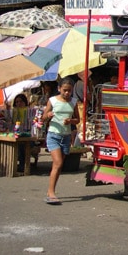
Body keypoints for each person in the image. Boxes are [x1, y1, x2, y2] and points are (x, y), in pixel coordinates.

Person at [42, 77, 80, 205]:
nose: (67, 93)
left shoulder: (74, 102)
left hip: (66, 136)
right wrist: (48, 115)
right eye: (64, 90)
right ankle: (51, 193)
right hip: (53, 135)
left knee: (58, 166)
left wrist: (70, 121)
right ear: (59, 89)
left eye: (69, 91)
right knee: (57, 163)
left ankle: (51, 191)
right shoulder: (52, 101)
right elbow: (43, 117)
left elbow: (77, 120)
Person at [11, 94, 30, 172]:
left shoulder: (29, 111)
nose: (19, 103)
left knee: (22, 145)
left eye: (21, 101)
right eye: (17, 102)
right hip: (16, 132)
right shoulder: (13, 111)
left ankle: (22, 165)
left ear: (25, 102)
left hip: (28, 134)